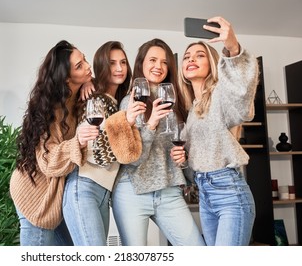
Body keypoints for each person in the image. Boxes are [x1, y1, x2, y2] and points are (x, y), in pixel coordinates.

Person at [108, 38, 206, 246]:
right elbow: (133, 160)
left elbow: (181, 149)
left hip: (168, 190)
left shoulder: (177, 101)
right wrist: (151, 124)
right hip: (132, 191)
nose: (158, 66)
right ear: (141, 63)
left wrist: (184, 159)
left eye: (164, 62)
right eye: (152, 60)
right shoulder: (130, 102)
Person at [171, 16, 258, 246]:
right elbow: (194, 167)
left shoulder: (220, 94)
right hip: (205, 196)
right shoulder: (191, 112)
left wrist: (232, 47)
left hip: (230, 193)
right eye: (187, 57)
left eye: (200, 55)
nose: (191, 59)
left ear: (212, 62)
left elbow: (242, 95)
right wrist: (183, 161)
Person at [9, 40, 98, 246]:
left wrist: (89, 82)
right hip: (35, 195)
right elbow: (48, 161)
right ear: (67, 79)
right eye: (79, 66)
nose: (87, 66)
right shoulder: (51, 109)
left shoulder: (76, 98)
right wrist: (78, 141)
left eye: (84, 59)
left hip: (55, 198)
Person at [63, 41, 142, 245]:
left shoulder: (118, 104)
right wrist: (126, 123)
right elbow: (99, 153)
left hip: (103, 193)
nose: (119, 68)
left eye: (123, 62)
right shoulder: (95, 100)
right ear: (101, 65)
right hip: (84, 186)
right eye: (112, 63)